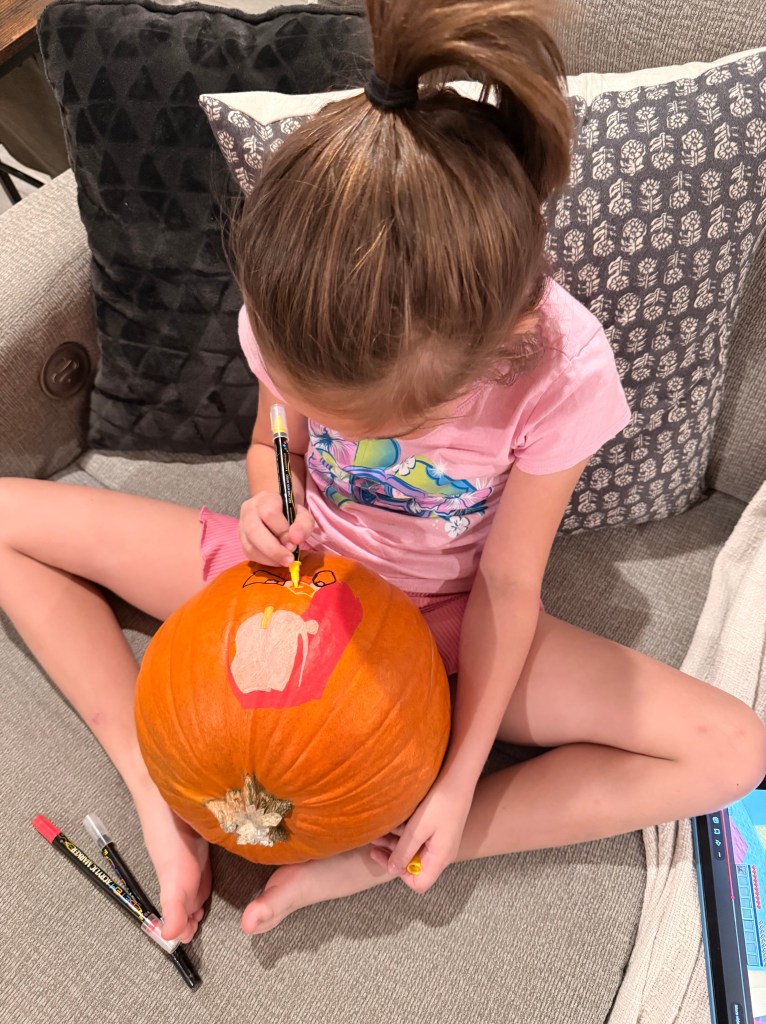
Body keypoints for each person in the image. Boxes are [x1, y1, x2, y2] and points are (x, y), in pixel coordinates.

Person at [1, 0, 765, 944]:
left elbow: (508, 584)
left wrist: (453, 787)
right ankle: (155, 789)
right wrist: (264, 502)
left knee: (732, 748)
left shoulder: (561, 367)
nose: (333, 422)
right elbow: (268, 447)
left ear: (505, 350)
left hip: (447, 617)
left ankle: (388, 855)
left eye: (396, 424)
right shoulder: (300, 310)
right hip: (284, 582)